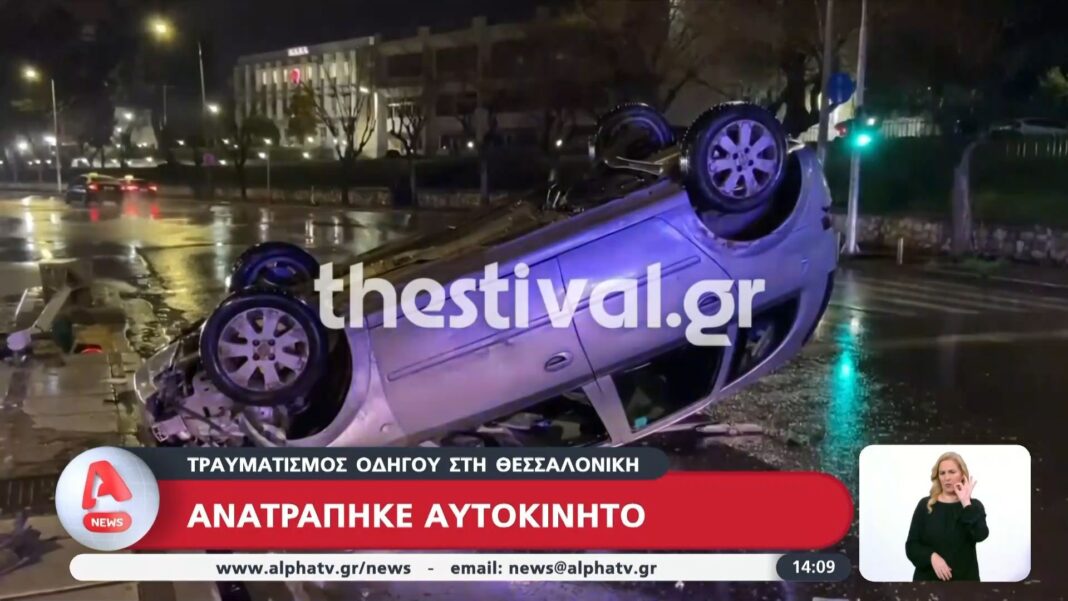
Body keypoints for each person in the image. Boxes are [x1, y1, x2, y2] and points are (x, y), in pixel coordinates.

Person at [905, 451, 990, 581]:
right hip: (928, 582)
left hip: (964, 583)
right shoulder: (925, 505)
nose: (947, 478)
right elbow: (911, 546)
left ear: (962, 474)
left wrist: (966, 503)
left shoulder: (974, 506)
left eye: (952, 472)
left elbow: (980, 535)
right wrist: (931, 557)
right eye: (942, 473)